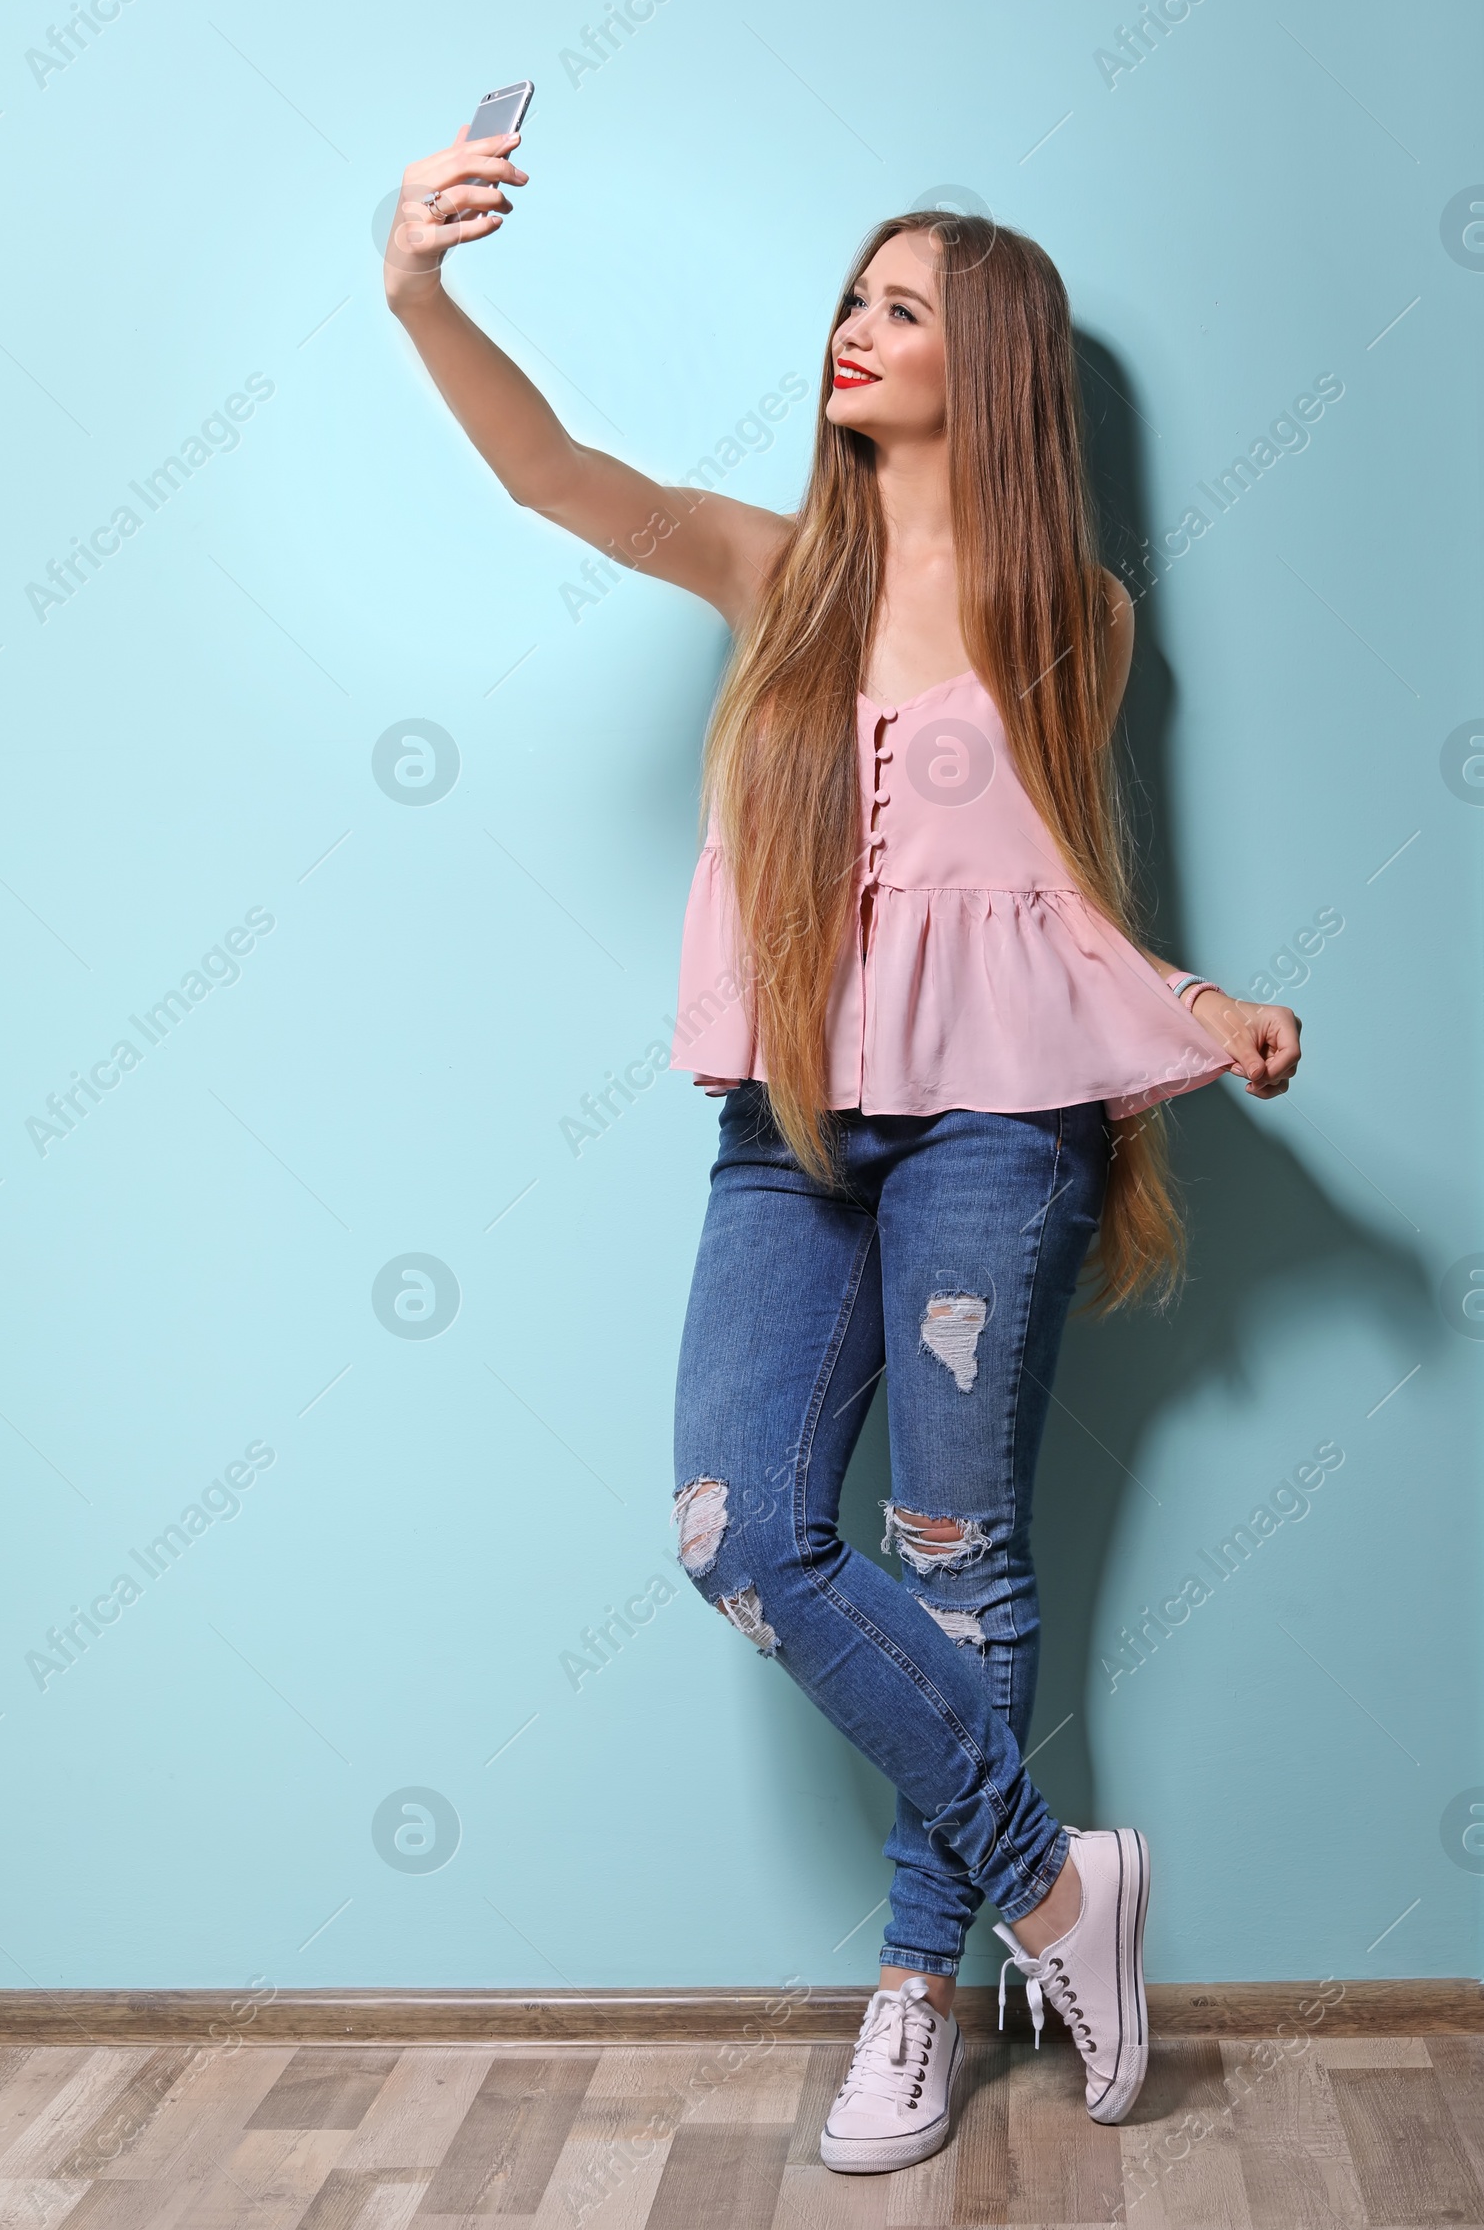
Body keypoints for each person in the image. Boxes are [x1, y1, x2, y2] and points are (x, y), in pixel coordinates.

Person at [383, 124, 1302, 2174]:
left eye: (897, 308)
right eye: (849, 297)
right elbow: (551, 475)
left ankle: (919, 1989)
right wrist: (418, 291)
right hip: (783, 1121)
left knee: (951, 1562)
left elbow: (1050, 889)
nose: (849, 332)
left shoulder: (1075, 613)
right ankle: (1062, 1895)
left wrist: (1194, 1000)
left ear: (987, 362)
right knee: (738, 1534)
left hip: (1000, 1127)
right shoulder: (774, 567)